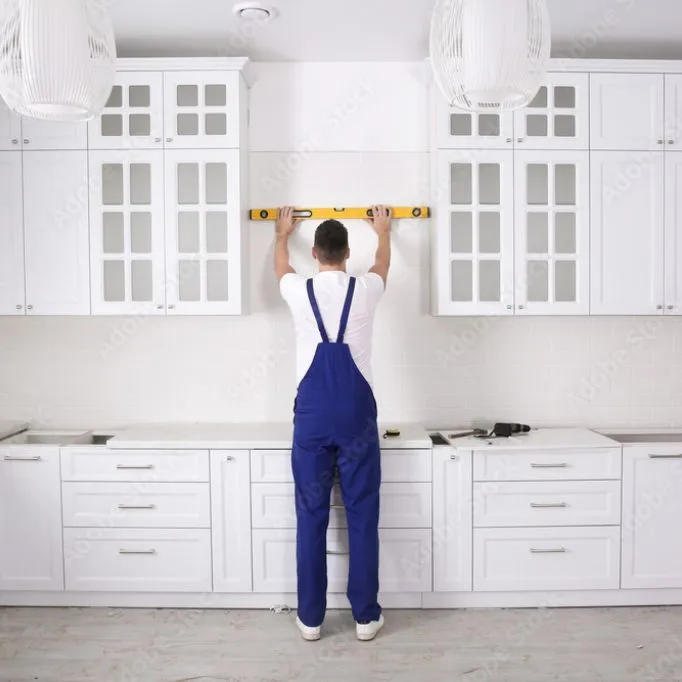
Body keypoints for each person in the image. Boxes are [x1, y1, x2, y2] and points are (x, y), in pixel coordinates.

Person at [274, 205, 392, 642]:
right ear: (346, 253)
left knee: (311, 515)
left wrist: (281, 233)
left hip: (312, 418)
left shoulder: (297, 290)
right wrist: (383, 231)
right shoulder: (365, 289)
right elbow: (383, 265)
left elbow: (280, 266)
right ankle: (365, 618)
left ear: (317, 254)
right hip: (358, 417)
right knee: (363, 515)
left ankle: (310, 619)